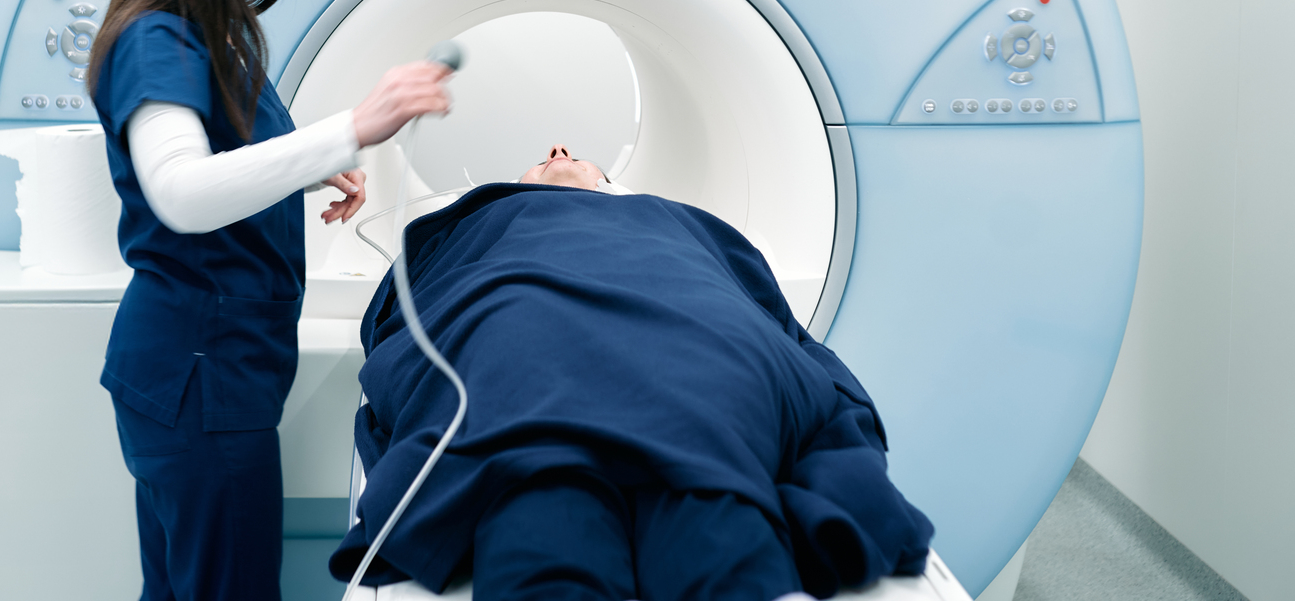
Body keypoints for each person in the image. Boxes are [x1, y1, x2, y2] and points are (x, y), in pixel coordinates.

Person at [87, 0, 453, 601]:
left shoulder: (218, 33)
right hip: (199, 374)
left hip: (206, 373)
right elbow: (183, 191)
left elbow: (228, 153)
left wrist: (315, 170)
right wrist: (352, 129)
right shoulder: (159, 40)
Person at [332, 141, 935, 601]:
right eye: (541, 159)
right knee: (549, 503)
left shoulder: (673, 218)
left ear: (612, 186)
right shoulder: (481, 222)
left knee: (702, 504)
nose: (559, 151)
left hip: (700, 345)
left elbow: (749, 297)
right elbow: (414, 303)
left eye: (576, 154)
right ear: (510, 189)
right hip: (518, 337)